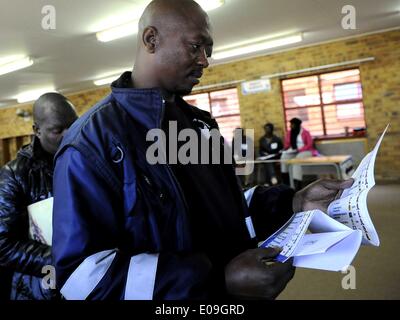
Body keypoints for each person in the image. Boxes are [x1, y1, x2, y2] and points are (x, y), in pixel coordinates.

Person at [52, 0, 353, 300]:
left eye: (208, 50)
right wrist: (215, 282)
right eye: (196, 46)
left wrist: (292, 203)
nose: (205, 61)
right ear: (151, 39)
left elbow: (229, 205)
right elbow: (81, 277)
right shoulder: (91, 142)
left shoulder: (199, 123)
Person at [0, 93, 78, 300]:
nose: (69, 134)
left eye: (74, 125)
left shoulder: (89, 161)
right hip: (39, 290)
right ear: (37, 131)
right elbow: (3, 244)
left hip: (91, 282)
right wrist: (64, 261)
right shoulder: (15, 174)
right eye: (57, 130)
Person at [281, 117, 317, 190]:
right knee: (284, 157)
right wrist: (286, 148)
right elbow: (287, 144)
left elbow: (309, 144)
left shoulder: (305, 132)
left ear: (297, 125)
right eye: (290, 124)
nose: (290, 126)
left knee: (297, 160)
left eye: (292, 124)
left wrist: (300, 149)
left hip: (306, 151)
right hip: (293, 151)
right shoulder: (289, 133)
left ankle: (297, 185)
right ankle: (286, 182)